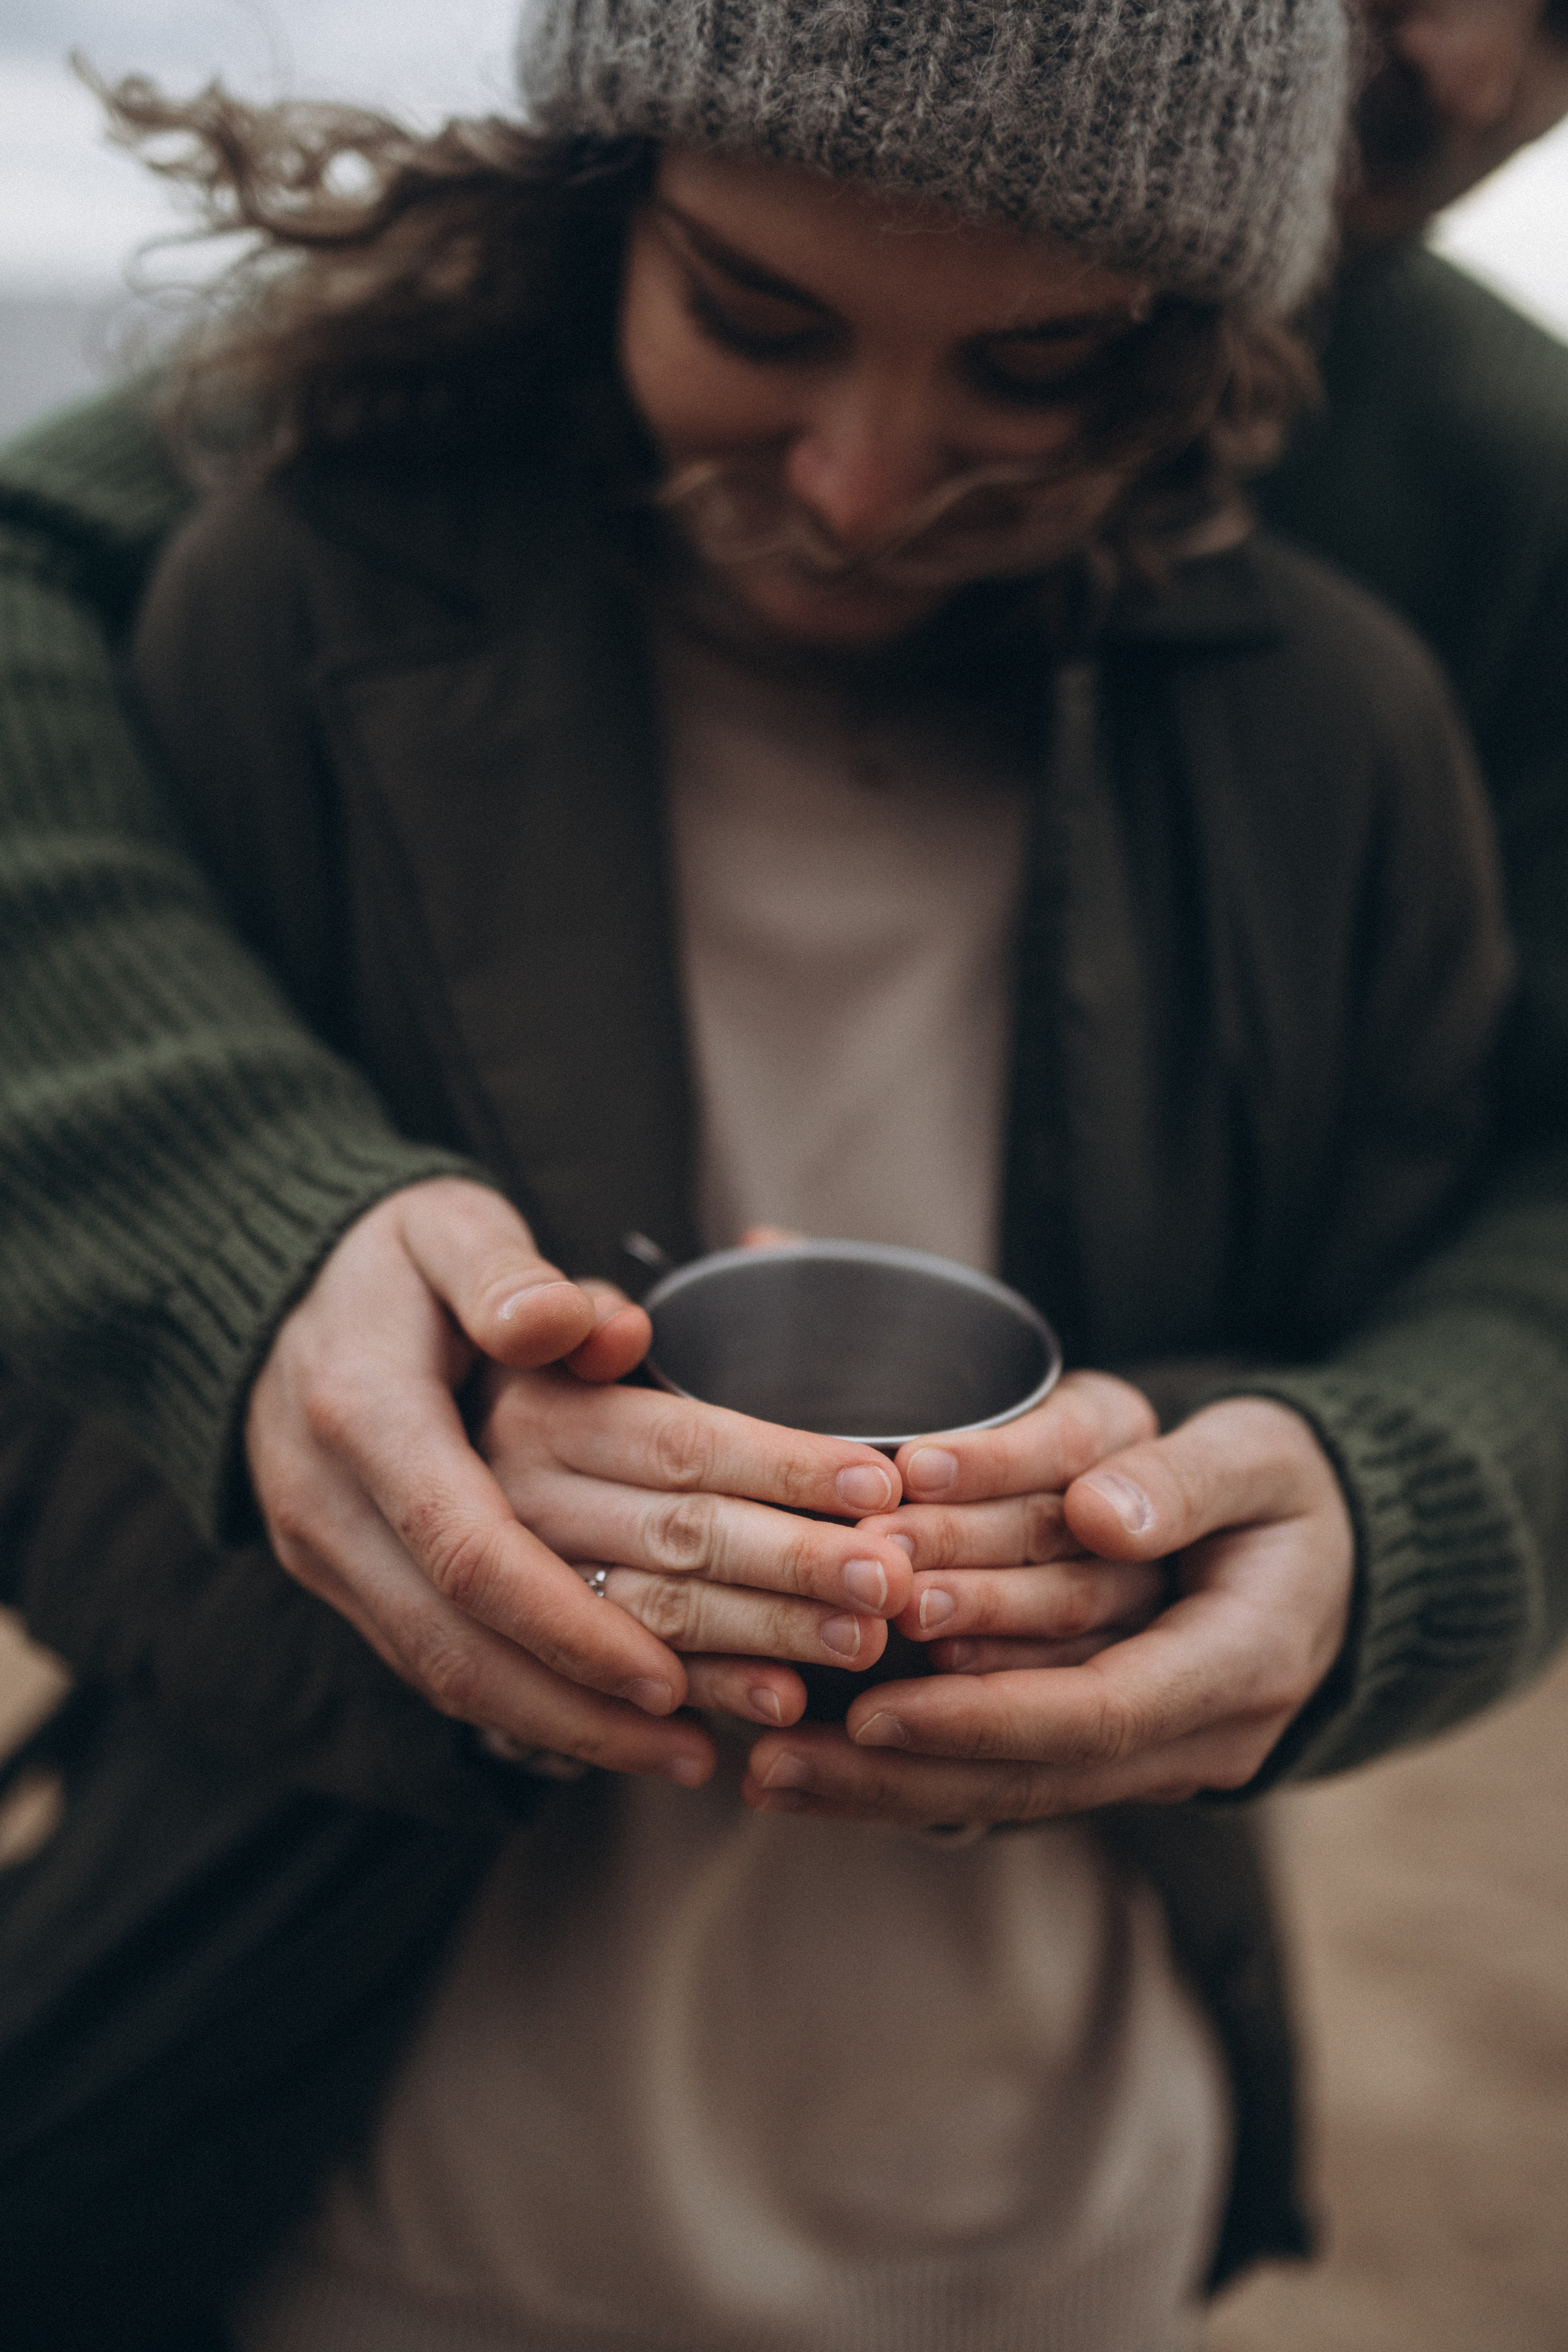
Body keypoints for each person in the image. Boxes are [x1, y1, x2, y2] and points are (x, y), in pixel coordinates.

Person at [0, 6, 1546, 2348]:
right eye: (752, 313)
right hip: (329, 2203)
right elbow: (48, 1411)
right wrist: (329, 1455)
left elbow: (1434, 1293)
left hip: (1054, 2213)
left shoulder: (1343, 740)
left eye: (1038, 364)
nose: (862, 480)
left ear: (1196, 347)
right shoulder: (270, 613)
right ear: (590, 202)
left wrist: (1327, 1504)